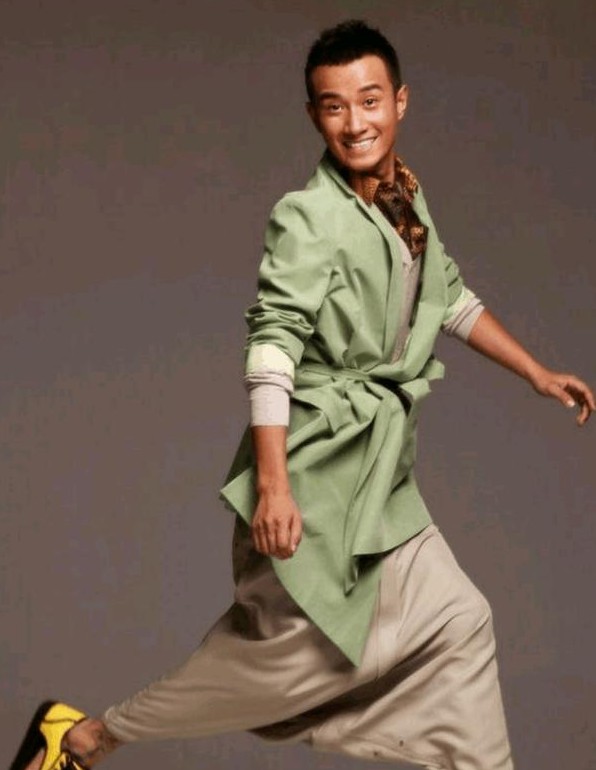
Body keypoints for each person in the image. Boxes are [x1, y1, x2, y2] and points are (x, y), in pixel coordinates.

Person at [10, 19, 594, 770]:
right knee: (286, 664)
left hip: (381, 474)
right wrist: (275, 488)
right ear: (314, 115)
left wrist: (535, 372)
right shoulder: (307, 217)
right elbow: (271, 350)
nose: (355, 122)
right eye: (333, 106)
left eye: (370, 100)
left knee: (460, 621)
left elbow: (446, 299)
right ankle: (87, 737)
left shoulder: (406, 198)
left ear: (401, 101)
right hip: (318, 472)